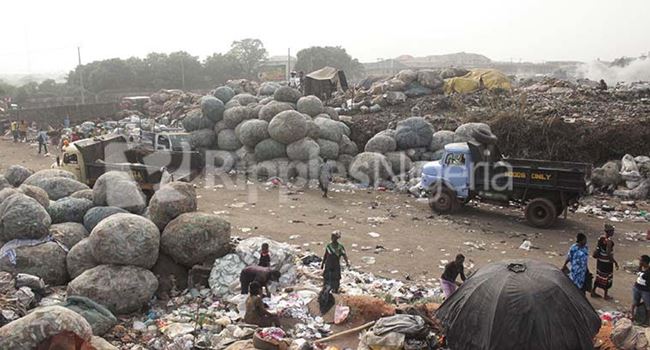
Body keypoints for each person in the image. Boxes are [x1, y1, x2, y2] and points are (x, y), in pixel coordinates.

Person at [592, 224, 619, 300]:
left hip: (600, 260)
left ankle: (593, 291)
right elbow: (608, 253)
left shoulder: (600, 238)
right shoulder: (609, 241)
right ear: (609, 232)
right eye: (612, 231)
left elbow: (598, 248)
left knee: (599, 276)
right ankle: (605, 295)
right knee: (607, 278)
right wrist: (614, 262)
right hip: (606, 262)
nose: (613, 232)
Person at [632, 255, 650, 324]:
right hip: (637, 287)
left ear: (645, 262)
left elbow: (642, 276)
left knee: (648, 306)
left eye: (641, 260)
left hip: (645, 290)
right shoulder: (643, 269)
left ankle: (647, 320)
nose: (640, 262)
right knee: (634, 303)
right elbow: (638, 273)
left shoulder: (648, 272)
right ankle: (633, 315)